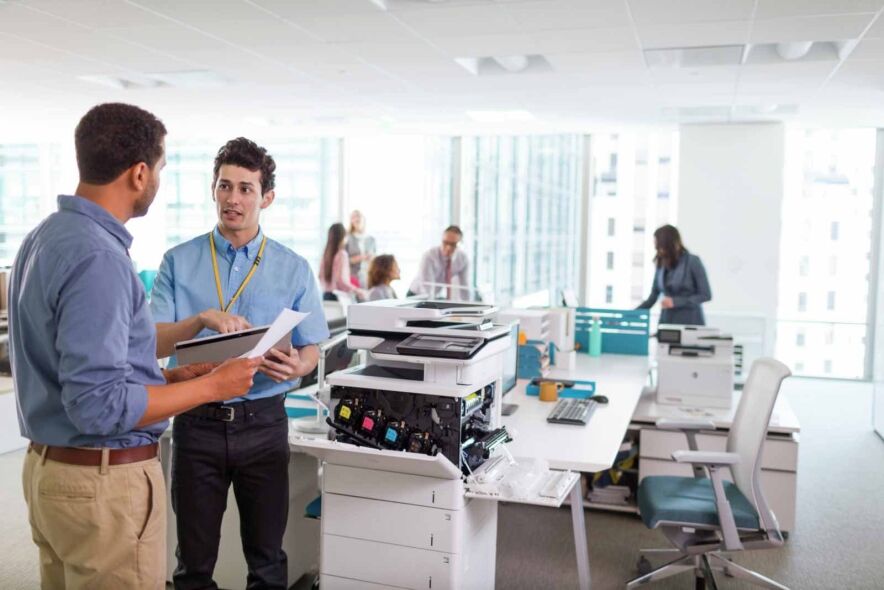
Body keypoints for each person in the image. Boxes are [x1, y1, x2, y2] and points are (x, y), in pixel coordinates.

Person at [9, 103, 260, 590]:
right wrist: (213, 386)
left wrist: (164, 377)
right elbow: (99, 406)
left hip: (51, 475)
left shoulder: (46, 237)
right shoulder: (99, 257)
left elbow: (76, 370)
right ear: (140, 173)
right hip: (100, 488)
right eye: (161, 169)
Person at [149, 137, 330, 590]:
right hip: (196, 423)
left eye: (246, 189)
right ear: (213, 189)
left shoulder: (293, 268)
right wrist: (199, 320)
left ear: (266, 197)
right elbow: (150, 342)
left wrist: (298, 367)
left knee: (268, 561)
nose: (233, 199)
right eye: (225, 186)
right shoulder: (178, 260)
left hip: (264, 423)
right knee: (192, 562)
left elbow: (312, 350)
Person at [637, 224, 711, 325]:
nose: (658, 250)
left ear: (668, 244)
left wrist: (676, 302)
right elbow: (653, 296)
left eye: (659, 246)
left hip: (690, 323)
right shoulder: (661, 264)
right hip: (667, 322)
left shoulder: (692, 262)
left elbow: (705, 295)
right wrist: (629, 315)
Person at [408, 225, 472, 300]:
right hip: (416, 295)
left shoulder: (463, 259)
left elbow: (464, 287)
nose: (448, 248)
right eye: (445, 243)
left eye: (453, 244)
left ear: (459, 243)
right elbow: (427, 287)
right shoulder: (429, 256)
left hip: (433, 296)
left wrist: (468, 306)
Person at [320, 222, 366, 301]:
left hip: (326, 296)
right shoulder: (342, 254)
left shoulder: (325, 254)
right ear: (343, 236)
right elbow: (342, 281)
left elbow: (320, 276)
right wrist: (358, 291)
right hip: (338, 297)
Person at [345, 209, 376, 287]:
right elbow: (343, 261)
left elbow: (375, 259)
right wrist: (359, 258)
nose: (356, 219)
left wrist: (371, 258)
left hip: (368, 276)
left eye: (358, 216)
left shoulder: (371, 239)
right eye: (353, 217)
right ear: (351, 221)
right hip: (353, 276)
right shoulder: (347, 238)